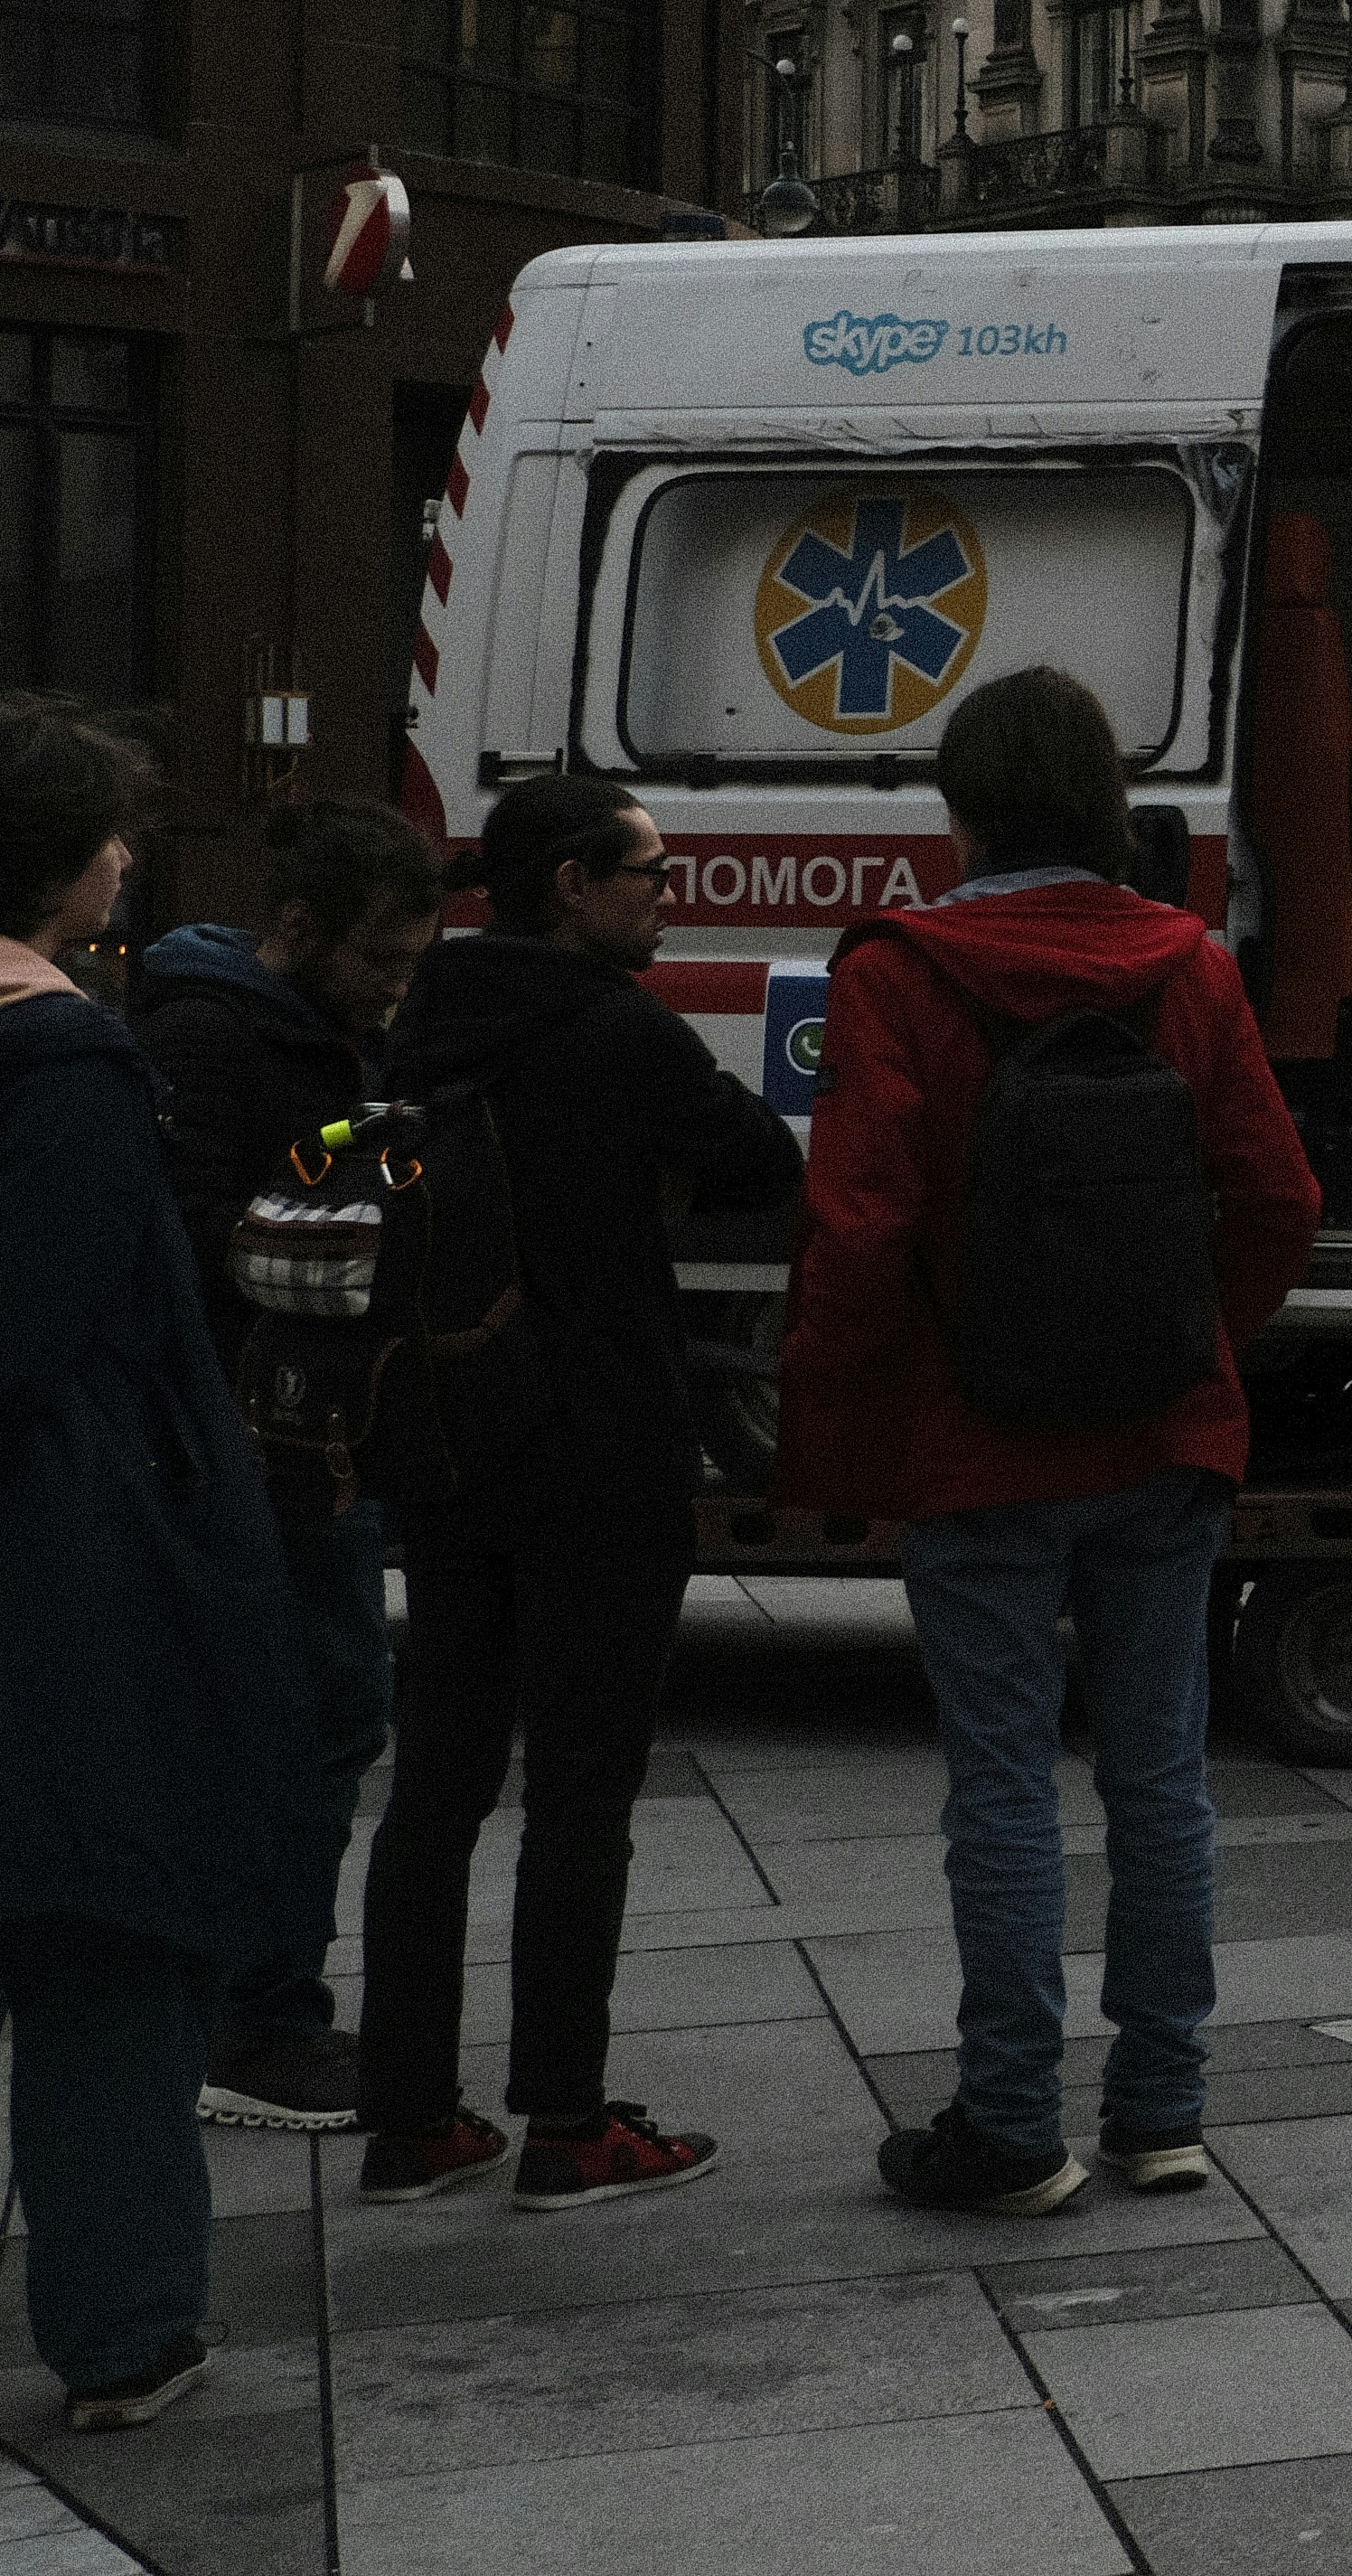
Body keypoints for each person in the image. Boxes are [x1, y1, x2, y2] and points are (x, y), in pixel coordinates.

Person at [782, 667, 1321, 2215]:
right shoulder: (1187, 965)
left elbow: (863, 1227)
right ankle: (1162, 2108)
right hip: (1165, 1439)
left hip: (977, 1441)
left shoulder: (897, 971)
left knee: (1003, 1785)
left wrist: (828, 1411)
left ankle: (1012, 2127)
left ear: (960, 809)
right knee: (1161, 1775)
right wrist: (1200, 1340)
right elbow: (1282, 1200)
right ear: (1103, 802)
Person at [352, 774, 803, 2213]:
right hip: (599, 1454)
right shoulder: (617, 1030)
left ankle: (413, 2119)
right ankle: (567, 2122)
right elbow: (763, 1162)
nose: (669, 898)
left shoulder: (425, 1016)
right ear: (572, 887)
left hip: (450, 1436)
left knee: (433, 1791)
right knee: (581, 1797)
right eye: (651, 875)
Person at [0, 696, 312, 2432]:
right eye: (111, 835)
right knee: (108, 1948)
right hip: (63, 1574)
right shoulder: (69, 1065)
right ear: (56, 864)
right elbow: (46, 1333)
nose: (129, 860)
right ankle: (124, 2330)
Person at [132, 798, 439, 2133]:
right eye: (380, 957)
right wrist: (350, 1251)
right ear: (300, 930)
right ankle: (258, 2019)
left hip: (319, 1434)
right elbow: (193, 1239)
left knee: (326, 1719)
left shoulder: (329, 1037)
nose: (396, 986)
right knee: (315, 1720)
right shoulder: (206, 1040)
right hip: (256, 1440)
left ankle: (258, 2004)